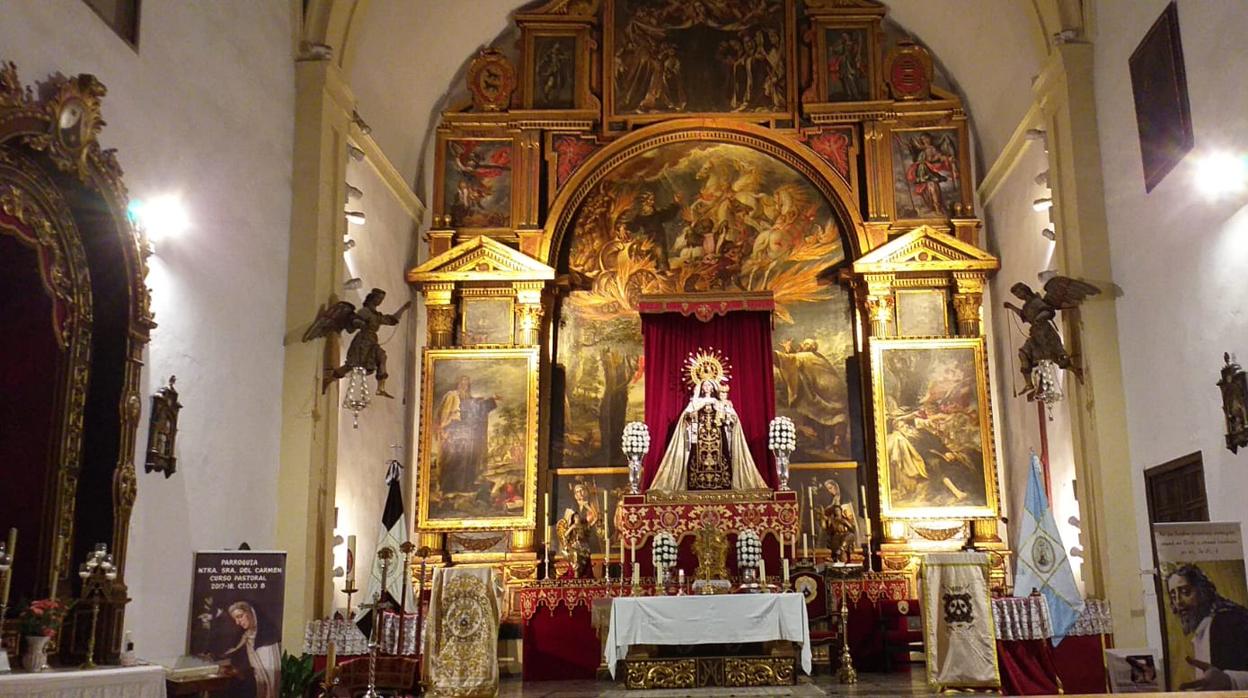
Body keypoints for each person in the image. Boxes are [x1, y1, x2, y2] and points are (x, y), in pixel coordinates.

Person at [650, 378, 767, 491]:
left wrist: (728, 416)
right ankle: (697, 484)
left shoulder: (719, 402)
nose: (707, 387)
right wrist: (691, 416)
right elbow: (685, 418)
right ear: (701, 388)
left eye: (709, 385)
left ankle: (722, 483)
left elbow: (732, 419)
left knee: (721, 458)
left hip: (718, 436)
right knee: (697, 459)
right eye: (705, 385)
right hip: (699, 437)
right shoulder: (695, 402)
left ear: (713, 387)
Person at [1165, 564, 1248, 690]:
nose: (1178, 602)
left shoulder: (1226, 621)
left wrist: (1229, 680)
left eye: (1185, 592)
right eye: (1173, 596)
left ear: (1203, 591)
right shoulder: (1204, 629)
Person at [437, 375, 498, 495]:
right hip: (455, 433)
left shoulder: (468, 398)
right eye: (463, 383)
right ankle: (449, 486)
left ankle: (465, 485)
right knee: (454, 459)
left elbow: (476, 407)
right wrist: (448, 426)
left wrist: (491, 400)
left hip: (467, 434)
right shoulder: (452, 396)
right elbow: (445, 415)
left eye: (468, 384)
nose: (466, 386)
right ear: (459, 384)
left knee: (469, 459)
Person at [219, 601, 280, 698]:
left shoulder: (267, 634)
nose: (237, 622)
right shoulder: (246, 634)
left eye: (240, 616)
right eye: (235, 619)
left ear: (250, 612)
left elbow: (270, 674)